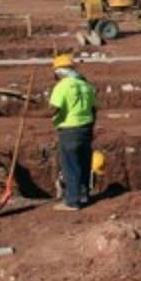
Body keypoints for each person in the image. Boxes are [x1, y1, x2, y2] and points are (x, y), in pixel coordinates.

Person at [48, 54, 97, 212]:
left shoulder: (63, 86)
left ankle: (72, 201)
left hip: (69, 129)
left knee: (70, 165)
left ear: (59, 71)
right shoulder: (86, 85)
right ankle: (84, 195)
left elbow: (54, 108)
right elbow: (94, 108)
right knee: (84, 163)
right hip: (86, 128)